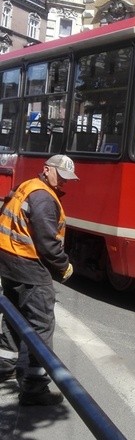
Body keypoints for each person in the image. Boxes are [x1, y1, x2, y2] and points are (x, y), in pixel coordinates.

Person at [0, 154, 78, 406]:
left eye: (68, 179)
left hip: (8, 260)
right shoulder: (43, 197)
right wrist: (63, 266)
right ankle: (34, 387)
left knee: (13, 316)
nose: (64, 183)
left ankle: (4, 367)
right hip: (29, 266)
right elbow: (47, 243)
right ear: (46, 169)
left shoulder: (27, 185)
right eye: (61, 176)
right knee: (41, 325)